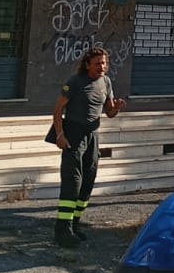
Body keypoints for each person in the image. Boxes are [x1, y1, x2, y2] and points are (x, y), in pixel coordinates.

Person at [50, 46, 125, 246]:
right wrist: (60, 135)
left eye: (104, 63)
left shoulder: (106, 83)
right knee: (72, 181)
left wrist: (116, 108)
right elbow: (58, 110)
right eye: (97, 63)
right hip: (74, 135)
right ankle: (62, 229)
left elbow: (108, 112)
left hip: (93, 135)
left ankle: (75, 223)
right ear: (87, 65)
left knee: (88, 181)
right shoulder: (75, 82)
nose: (102, 67)